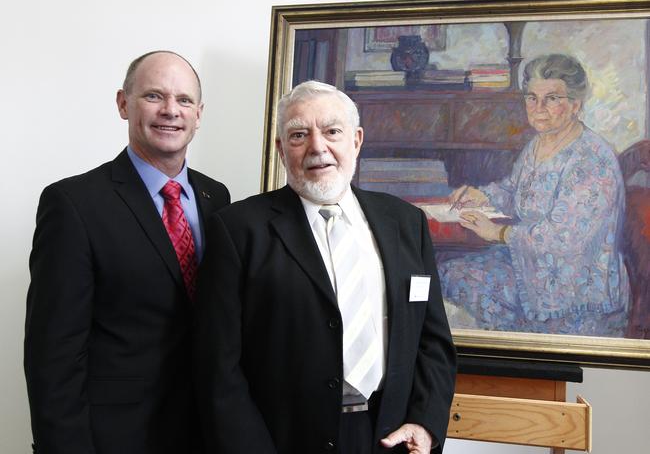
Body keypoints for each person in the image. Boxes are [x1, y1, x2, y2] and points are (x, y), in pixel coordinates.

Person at [193, 80, 456, 454]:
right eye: (299, 135)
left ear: (357, 140)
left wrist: (426, 422)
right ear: (282, 150)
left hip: (388, 436)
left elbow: (433, 341)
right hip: (282, 439)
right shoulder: (238, 229)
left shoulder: (406, 223)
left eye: (332, 131)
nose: (318, 147)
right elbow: (218, 366)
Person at [24, 51, 230, 454]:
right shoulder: (73, 203)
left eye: (184, 100)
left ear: (199, 114)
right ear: (123, 103)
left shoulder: (216, 198)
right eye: (154, 96)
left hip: (205, 434)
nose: (171, 111)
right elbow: (53, 358)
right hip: (115, 437)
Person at [441, 53, 629, 336]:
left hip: (573, 286)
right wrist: (483, 196)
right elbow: (516, 192)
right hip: (532, 261)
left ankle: (506, 354)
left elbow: (565, 237)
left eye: (552, 98)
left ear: (575, 105)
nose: (538, 108)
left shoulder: (591, 159)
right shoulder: (537, 144)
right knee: (447, 272)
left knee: (463, 279)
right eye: (532, 98)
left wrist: (499, 234)